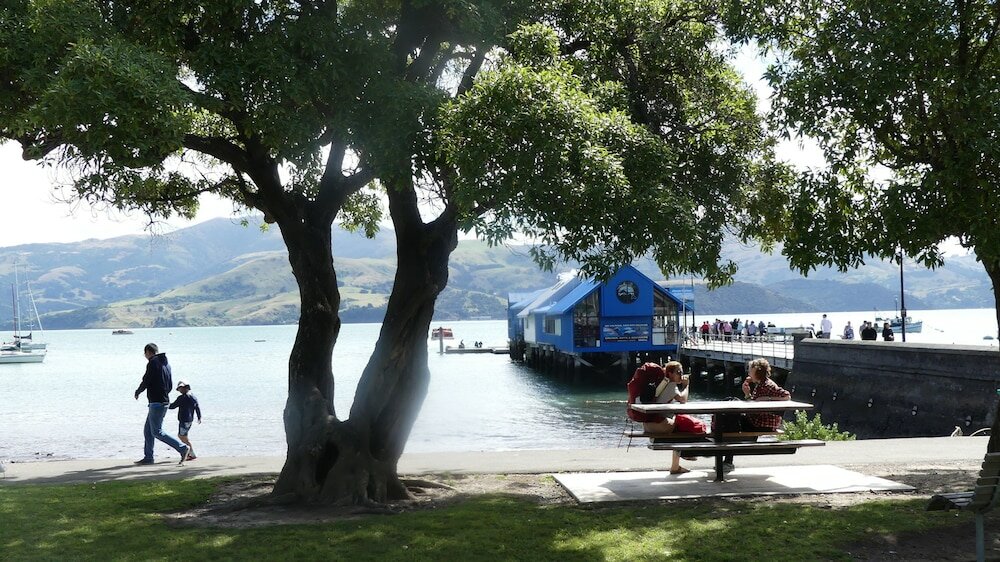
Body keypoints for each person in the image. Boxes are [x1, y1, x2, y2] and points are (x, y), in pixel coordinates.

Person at [626, 362, 706, 474]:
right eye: (679, 372)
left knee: (679, 424)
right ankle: (686, 455)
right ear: (670, 373)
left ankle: (676, 465)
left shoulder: (660, 384)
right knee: (686, 428)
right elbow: (683, 399)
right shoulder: (670, 385)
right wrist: (686, 385)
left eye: (682, 372)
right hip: (659, 425)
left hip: (648, 424)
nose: (681, 375)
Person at [720, 358, 790, 472]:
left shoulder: (768, 385)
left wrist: (767, 398)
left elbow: (787, 396)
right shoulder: (760, 384)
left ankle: (726, 458)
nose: (748, 373)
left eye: (750, 370)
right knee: (730, 411)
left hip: (762, 423)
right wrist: (747, 394)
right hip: (757, 419)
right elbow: (754, 405)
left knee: (731, 420)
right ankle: (726, 457)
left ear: (757, 371)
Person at [134, 343, 190, 465]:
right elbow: (170, 384)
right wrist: (164, 393)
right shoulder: (166, 364)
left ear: (148, 352)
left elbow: (146, 380)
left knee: (156, 432)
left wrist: (138, 391)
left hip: (157, 402)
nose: (145, 356)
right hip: (163, 400)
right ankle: (148, 457)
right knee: (148, 430)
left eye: (145, 353)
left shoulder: (152, 363)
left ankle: (182, 448)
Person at [169, 380, 202, 461]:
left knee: (182, 437)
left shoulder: (181, 398)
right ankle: (190, 453)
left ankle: (191, 453)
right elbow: (197, 407)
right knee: (184, 437)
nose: (180, 390)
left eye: (181, 388)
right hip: (189, 420)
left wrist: (164, 404)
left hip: (184, 420)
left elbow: (172, 406)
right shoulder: (193, 397)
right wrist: (199, 417)